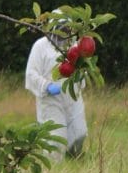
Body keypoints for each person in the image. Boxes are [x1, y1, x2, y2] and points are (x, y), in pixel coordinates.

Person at [25, 29, 87, 161]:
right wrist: (46, 86)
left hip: (72, 97)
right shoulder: (40, 46)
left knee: (79, 133)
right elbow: (31, 73)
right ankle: (54, 170)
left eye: (65, 29)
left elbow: (83, 69)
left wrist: (80, 77)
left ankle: (73, 160)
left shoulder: (74, 46)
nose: (62, 32)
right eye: (60, 28)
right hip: (50, 99)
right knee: (55, 140)